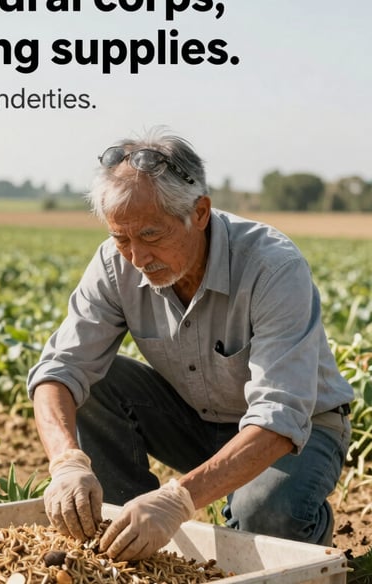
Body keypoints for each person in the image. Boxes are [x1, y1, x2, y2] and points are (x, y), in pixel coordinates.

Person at [27, 129, 353, 561]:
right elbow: (58, 370)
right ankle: (126, 538)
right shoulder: (114, 263)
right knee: (96, 382)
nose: (137, 258)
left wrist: (177, 499)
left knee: (264, 515)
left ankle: (307, 532)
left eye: (151, 235)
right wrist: (66, 462)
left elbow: (279, 417)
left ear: (199, 213)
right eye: (121, 238)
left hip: (299, 431)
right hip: (196, 418)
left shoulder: (272, 266)